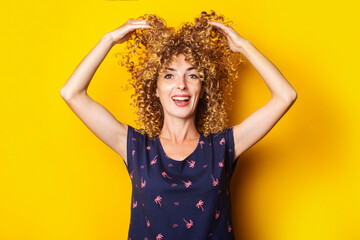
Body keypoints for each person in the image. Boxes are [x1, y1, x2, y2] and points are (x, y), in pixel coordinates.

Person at [60, 11, 297, 240]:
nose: (181, 85)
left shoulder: (223, 146)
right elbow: (72, 93)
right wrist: (109, 39)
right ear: (155, 88)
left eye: (192, 75)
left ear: (203, 89)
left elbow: (285, 96)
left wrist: (244, 46)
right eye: (169, 75)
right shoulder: (135, 146)